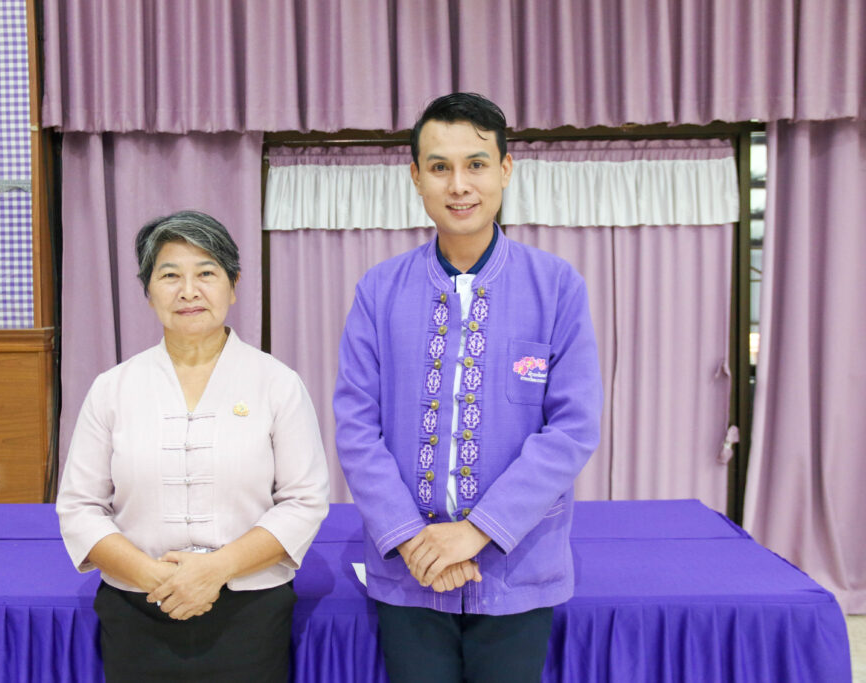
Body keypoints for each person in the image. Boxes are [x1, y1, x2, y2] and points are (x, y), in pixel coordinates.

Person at [333, 93, 603, 682]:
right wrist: (415, 542)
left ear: (505, 170)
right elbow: (356, 428)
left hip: (517, 566)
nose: (459, 185)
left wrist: (477, 532)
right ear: (416, 177)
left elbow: (574, 427)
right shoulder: (379, 291)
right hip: (410, 570)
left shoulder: (556, 287)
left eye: (476, 164)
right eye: (440, 167)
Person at [57, 210, 329, 682]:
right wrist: (155, 578)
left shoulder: (277, 383)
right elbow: (79, 507)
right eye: (169, 276)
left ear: (233, 285)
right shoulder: (112, 388)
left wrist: (215, 570)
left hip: (250, 609)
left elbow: (304, 501)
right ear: (147, 291)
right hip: (138, 605)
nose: (188, 291)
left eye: (206, 273)